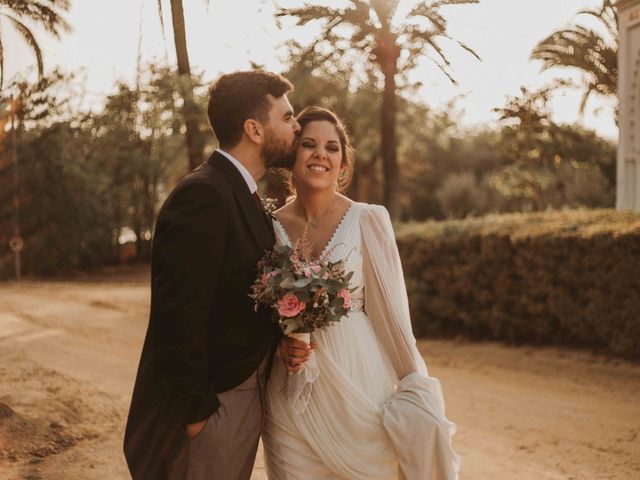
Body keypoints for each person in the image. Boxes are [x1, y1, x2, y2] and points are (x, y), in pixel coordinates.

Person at [123, 70, 304, 480]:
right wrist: (197, 416)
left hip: (241, 398)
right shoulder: (203, 194)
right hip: (213, 409)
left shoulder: (246, 196)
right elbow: (178, 316)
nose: (297, 126)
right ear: (254, 129)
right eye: (288, 117)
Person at [264, 107, 461, 479]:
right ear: (292, 156)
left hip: (359, 382)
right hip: (289, 391)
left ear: (342, 164)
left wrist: (417, 390)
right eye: (308, 144)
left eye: (332, 147)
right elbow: (258, 307)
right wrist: (279, 344)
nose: (321, 153)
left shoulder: (368, 219)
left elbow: (390, 315)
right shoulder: (267, 226)